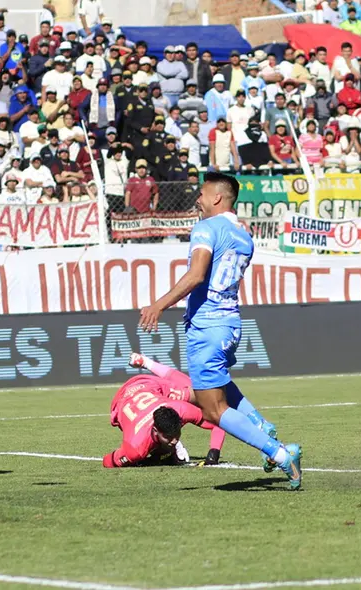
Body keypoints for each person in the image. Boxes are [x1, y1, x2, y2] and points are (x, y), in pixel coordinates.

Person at [137, 172, 302, 489]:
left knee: (212, 409)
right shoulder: (244, 236)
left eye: (201, 193)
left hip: (208, 326)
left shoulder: (206, 228)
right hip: (230, 323)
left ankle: (281, 455)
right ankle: (262, 425)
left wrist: (158, 305)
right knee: (220, 386)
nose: (197, 199)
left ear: (216, 197)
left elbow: (197, 275)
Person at [125, 352, 228, 464]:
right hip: (154, 391)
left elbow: (219, 421)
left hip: (147, 395)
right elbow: (219, 419)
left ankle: (145, 361)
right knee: (203, 400)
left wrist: (215, 450)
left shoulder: (191, 395)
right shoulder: (183, 395)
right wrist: (215, 450)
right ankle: (145, 362)